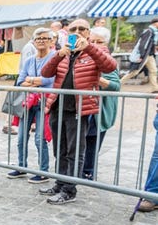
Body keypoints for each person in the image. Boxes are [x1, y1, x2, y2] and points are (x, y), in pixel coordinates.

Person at [39, 18, 117, 205]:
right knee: (60, 149)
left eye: (82, 28)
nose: (78, 31)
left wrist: (89, 48)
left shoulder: (96, 50)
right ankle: (59, 183)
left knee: (75, 151)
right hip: (58, 107)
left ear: (88, 32)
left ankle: (69, 190)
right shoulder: (64, 52)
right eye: (74, 28)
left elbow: (110, 66)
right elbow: (46, 73)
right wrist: (59, 54)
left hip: (78, 109)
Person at [6, 28, 55, 183]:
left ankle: (43, 171)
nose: (41, 41)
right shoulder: (29, 60)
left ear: (51, 41)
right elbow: (20, 81)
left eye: (45, 38)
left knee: (40, 138)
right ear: (33, 41)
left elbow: (50, 80)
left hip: (44, 103)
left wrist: (31, 80)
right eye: (38, 38)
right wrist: (37, 80)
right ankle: (21, 167)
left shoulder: (54, 58)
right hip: (28, 103)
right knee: (21, 137)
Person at [83, 26, 120, 180]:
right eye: (93, 41)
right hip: (86, 107)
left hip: (100, 110)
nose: (96, 44)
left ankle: (88, 171)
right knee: (82, 141)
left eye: (100, 41)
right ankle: (80, 170)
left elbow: (115, 86)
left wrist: (96, 80)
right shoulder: (84, 58)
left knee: (92, 142)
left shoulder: (108, 61)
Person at [121, 17, 158, 93]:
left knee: (153, 71)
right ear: (155, 23)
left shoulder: (154, 32)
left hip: (150, 55)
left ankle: (154, 88)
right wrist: (141, 55)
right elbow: (143, 44)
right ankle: (118, 84)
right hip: (144, 55)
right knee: (134, 71)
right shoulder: (149, 31)